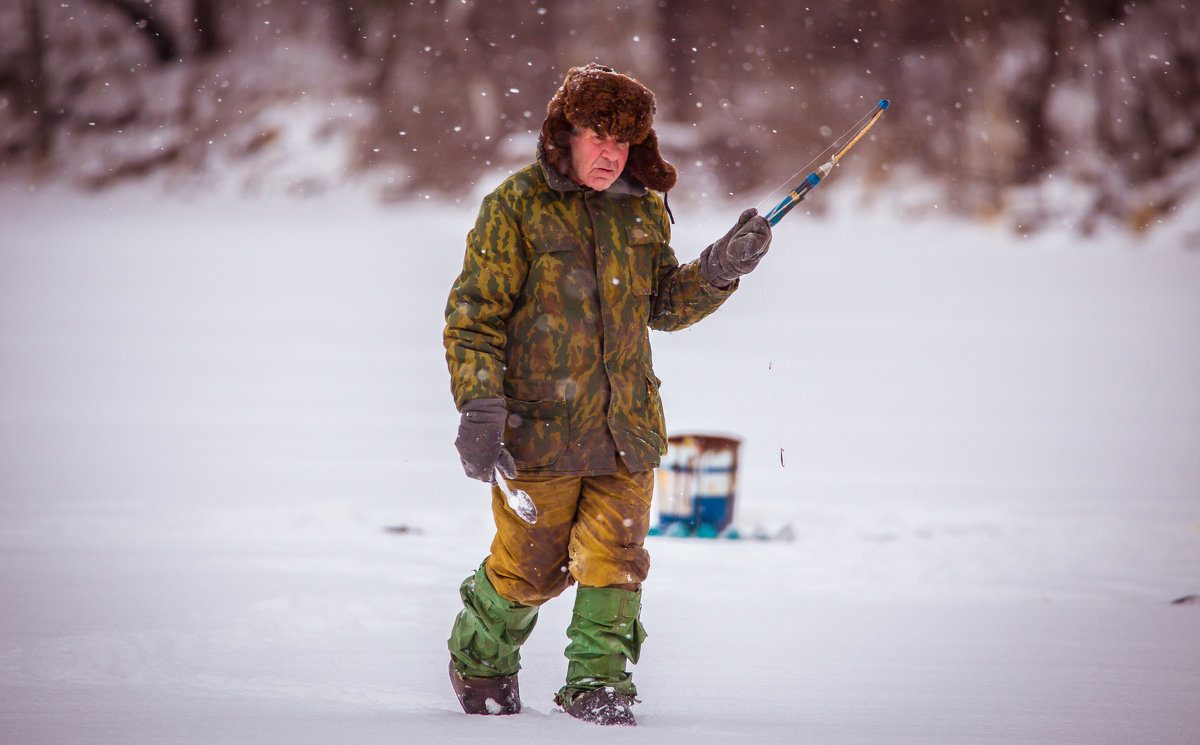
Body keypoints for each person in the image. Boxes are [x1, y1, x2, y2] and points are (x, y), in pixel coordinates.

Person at [442, 63, 771, 726]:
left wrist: (719, 268)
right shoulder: (516, 206)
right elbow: (474, 313)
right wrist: (481, 406)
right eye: (598, 137)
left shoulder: (644, 208)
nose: (610, 154)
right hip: (540, 428)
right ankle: (479, 659)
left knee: (615, 559)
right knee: (530, 569)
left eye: (623, 142)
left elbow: (664, 305)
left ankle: (600, 681)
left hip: (627, 428)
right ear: (565, 134)